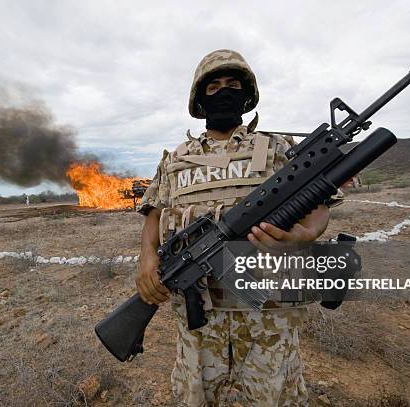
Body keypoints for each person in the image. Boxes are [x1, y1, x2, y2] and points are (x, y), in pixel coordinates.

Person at [136, 49, 340, 406]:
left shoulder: (278, 149)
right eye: (214, 86)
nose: (224, 91)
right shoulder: (175, 160)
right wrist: (146, 257)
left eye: (233, 85)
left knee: (274, 398)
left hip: (268, 316)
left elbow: (319, 205)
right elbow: (154, 212)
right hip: (198, 311)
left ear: (246, 95)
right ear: (200, 98)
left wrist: (304, 236)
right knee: (194, 398)